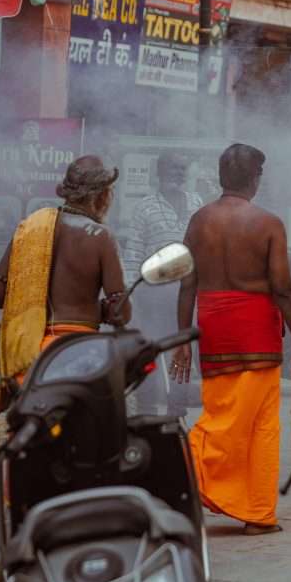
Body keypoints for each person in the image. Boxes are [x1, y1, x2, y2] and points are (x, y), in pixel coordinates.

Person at [171, 143, 291, 536]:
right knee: (261, 424)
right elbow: (282, 288)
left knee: (219, 410)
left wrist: (183, 338)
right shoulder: (268, 223)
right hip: (255, 331)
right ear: (256, 179)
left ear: (220, 178)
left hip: (211, 325)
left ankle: (244, 503)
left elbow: (187, 283)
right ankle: (250, 510)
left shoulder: (199, 220)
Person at [0, 156, 129, 382]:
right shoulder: (101, 237)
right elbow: (121, 312)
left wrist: (31, 301)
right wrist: (97, 308)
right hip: (80, 355)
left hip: (29, 359)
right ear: (101, 195)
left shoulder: (31, 228)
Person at [124, 151, 203, 413]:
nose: (178, 173)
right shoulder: (145, 206)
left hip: (188, 294)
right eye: (172, 168)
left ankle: (176, 411)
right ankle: (147, 410)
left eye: (182, 168)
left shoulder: (196, 202)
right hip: (154, 295)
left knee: (181, 352)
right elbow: (134, 252)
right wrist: (130, 296)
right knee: (152, 352)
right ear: (159, 172)